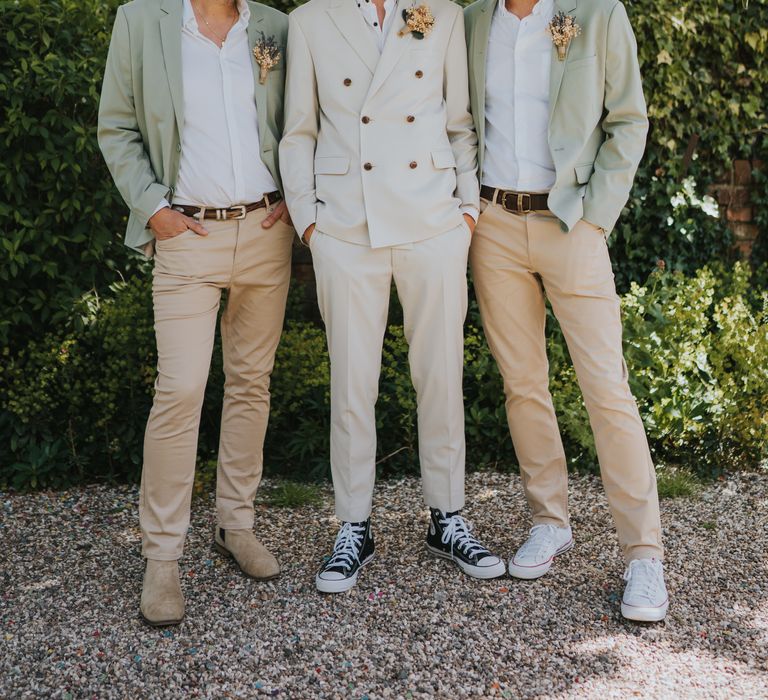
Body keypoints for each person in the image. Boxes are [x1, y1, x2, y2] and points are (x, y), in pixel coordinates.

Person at [280, 0, 506, 593]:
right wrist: (310, 225)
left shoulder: (445, 14)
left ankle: (448, 515)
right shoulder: (308, 21)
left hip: (433, 222)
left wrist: (466, 213)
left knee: (440, 374)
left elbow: (459, 124)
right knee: (353, 381)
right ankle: (354, 524)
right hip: (346, 229)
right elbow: (299, 131)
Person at [464, 0, 668, 621]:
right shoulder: (473, 22)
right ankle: (550, 520)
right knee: (523, 384)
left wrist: (596, 218)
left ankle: (644, 553)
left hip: (570, 222)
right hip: (494, 225)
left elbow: (628, 119)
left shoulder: (598, 12)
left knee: (606, 388)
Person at [98, 0, 292, 626]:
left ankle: (236, 524)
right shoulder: (141, 20)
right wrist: (153, 209)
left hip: (266, 231)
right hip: (187, 236)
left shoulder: (273, 26)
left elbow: (302, 121)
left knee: (251, 384)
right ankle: (161, 555)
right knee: (180, 388)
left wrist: (295, 195)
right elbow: (117, 127)